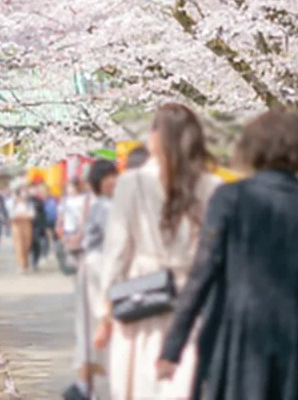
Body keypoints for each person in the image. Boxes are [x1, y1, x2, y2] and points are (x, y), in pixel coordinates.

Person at [157, 105, 298, 400]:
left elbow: (202, 273)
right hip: (296, 341)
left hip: (237, 337)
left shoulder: (230, 198)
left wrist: (172, 347)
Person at [93, 102, 222, 400]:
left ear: (156, 138)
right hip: (194, 298)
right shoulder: (213, 186)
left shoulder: (131, 183)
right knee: (185, 383)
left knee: (141, 383)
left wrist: (105, 313)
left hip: (142, 294)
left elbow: (117, 253)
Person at [72, 159, 119, 399]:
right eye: (106, 177)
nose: (112, 180)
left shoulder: (106, 204)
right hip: (97, 269)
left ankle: (85, 385)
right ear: (97, 182)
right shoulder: (104, 206)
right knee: (97, 324)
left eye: (114, 175)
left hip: (98, 267)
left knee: (93, 326)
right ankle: (85, 385)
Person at [8, 184, 34, 272]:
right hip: (16, 226)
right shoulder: (12, 203)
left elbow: (31, 215)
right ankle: (21, 265)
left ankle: (25, 264)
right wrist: (23, 215)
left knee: (26, 245)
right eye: (23, 191)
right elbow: (12, 216)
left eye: (26, 191)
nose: (25, 193)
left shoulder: (29, 203)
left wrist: (21, 215)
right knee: (19, 245)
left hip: (27, 225)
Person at [30, 183, 50, 268]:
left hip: (38, 225)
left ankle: (35, 261)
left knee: (37, 243)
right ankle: (32, 260)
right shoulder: (26, 200)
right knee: (31, 244)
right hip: (28, 225)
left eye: (35, 189)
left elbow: (43, 214)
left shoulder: (39, 201)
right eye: (32, 189)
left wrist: (45, 226)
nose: (34, 190)